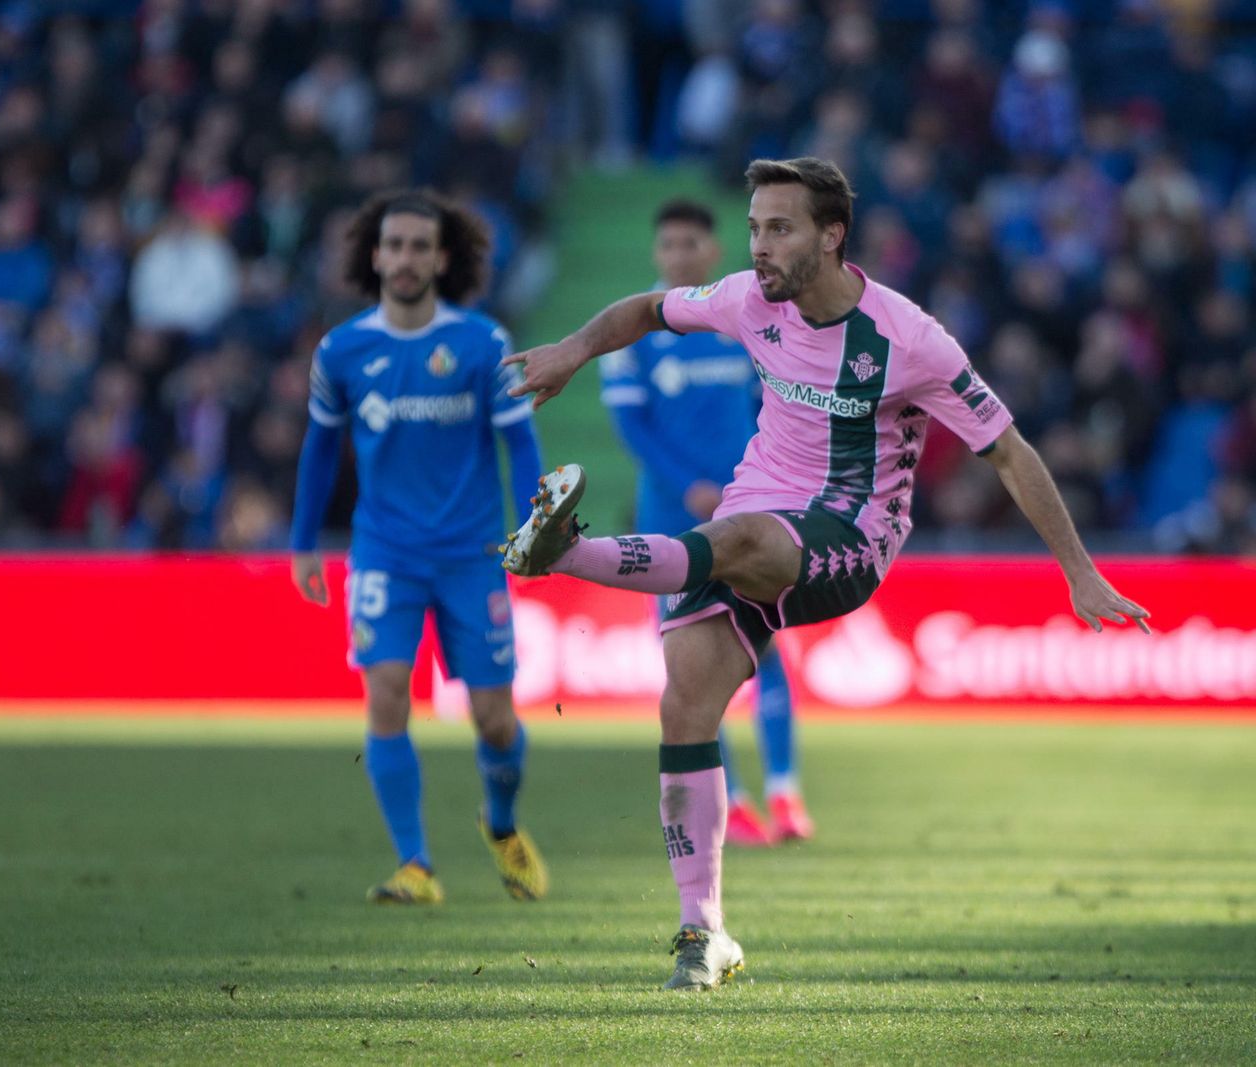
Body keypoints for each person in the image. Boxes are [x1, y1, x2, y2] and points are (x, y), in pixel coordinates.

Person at [500, 157, 1150, 990]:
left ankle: (567, 553)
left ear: (831, 236)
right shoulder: (744, 299)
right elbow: (645, 310)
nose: (759, 246)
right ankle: (705, 933)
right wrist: (572, 350)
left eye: (780, 229)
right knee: (685, 702)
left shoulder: (910, 339)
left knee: (735, 540)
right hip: (750, 511)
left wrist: (1078, 570)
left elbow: (1011, 454)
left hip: (851, 535)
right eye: (754, 228)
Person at [291, 189, 549, 906]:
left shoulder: (482, 343)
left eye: (418, 246)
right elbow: (320, 448)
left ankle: (500, 825)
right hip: (385, 554)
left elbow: (518, 440)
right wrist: (303, 540)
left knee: (495, 717)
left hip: (471, 555)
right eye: (393, 244)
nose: (405, 257)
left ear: (442, 257)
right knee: (385, 695)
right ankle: (416, 863)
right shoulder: (342, 350)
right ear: (374, 256)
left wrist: (535, 523)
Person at [601, 197, 811, 848]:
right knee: (693, 667)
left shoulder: (747, 319)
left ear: (714, 252)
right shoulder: (634, 329)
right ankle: (739, 802)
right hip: (672, 520)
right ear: (656, 254)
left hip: (750, 510)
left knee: (766, 650)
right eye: (669, 245)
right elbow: (632, 426)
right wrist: (688, 483)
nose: (680, 254)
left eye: (692, 243)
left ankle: (785, 791)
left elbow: (771, 403)